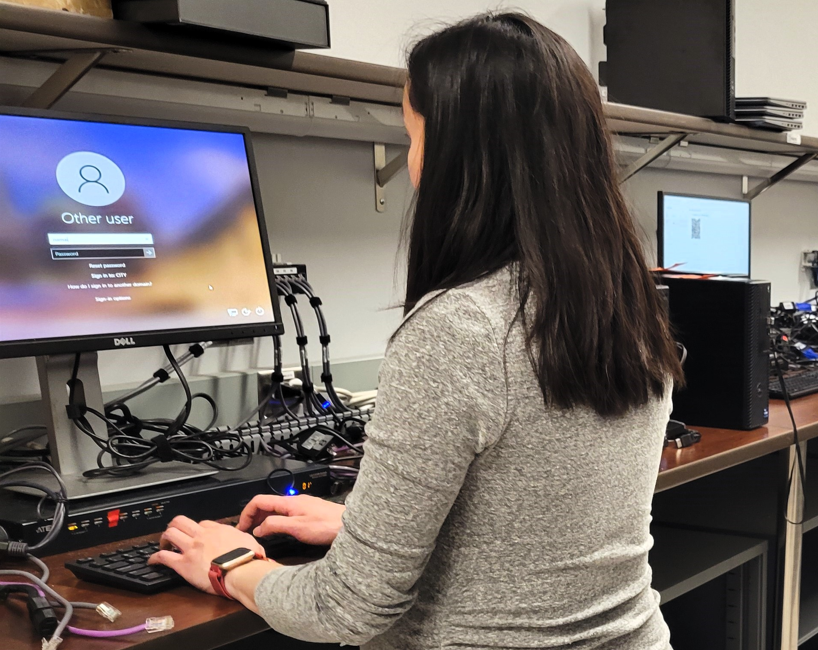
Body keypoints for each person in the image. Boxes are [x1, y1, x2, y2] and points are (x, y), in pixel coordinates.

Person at [150, 12, 684, 650]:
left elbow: (346, 611)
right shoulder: (624, 303)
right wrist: (363, 526)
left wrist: (232, 563)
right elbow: (540, 528)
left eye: (414, 136)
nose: (410, 163)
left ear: (464, 158)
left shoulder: (459, 329)